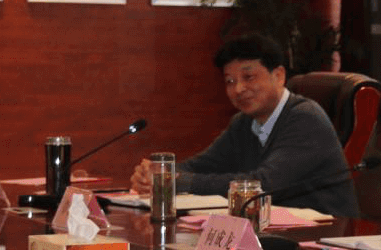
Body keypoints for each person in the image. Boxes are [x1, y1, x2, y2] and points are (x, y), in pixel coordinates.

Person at [130, 35, 357, 217]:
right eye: (230, 81)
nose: (238, 89)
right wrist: (159, 174)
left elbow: (263, 185)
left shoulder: (305, 119)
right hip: (275, 231)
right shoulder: (243, 122)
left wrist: (176, 182)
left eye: (248, 77)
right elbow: (202, 166)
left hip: (326, 236)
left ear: (278, 76)